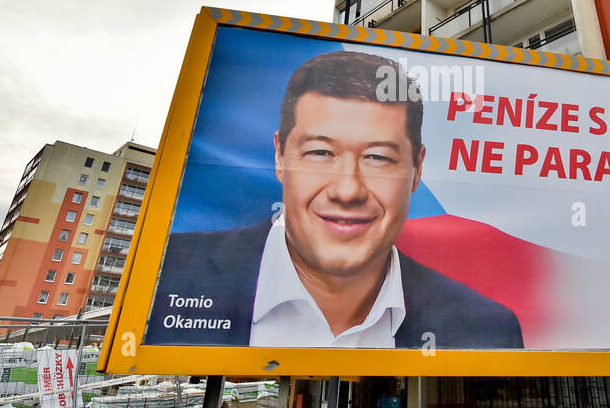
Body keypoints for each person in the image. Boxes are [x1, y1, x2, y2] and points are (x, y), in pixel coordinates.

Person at [152, 49, 524, 349]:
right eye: (319, 153)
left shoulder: (487, 328)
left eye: (378, 158)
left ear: (416, 169)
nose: (347, 191)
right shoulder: (164, 274)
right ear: (280, 156)